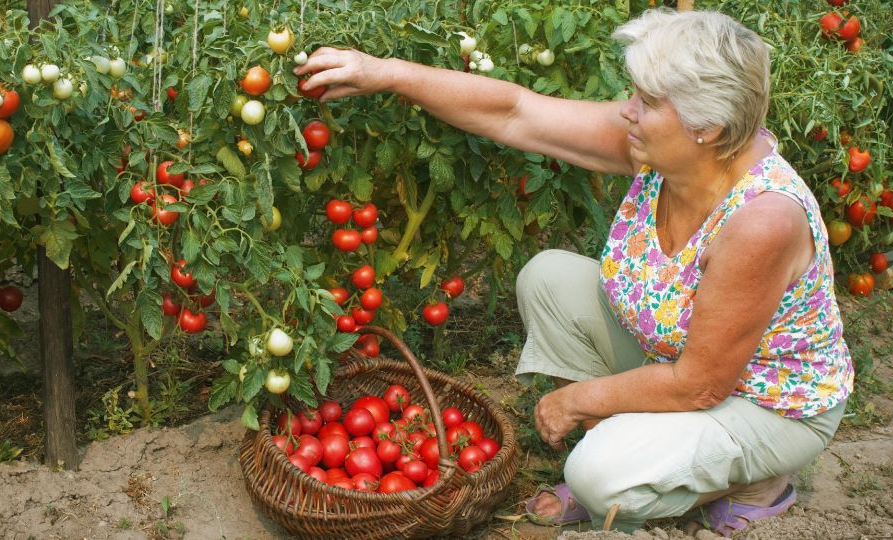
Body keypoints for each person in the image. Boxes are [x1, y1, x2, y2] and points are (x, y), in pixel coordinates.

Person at [295, 8, 853, 536]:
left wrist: (575, 400)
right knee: (550, 277)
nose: (627, 110)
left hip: (767, 404)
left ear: (707, 126)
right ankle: (632, 449)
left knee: (597, 478)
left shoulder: (763, 221)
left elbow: (700, 384)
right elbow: (516, 112)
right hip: (683, 365)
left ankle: (756, 484)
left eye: (648, 101)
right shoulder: (667, 149)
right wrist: (388, 73)